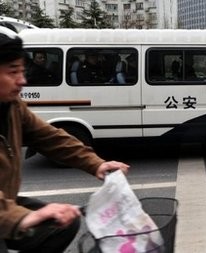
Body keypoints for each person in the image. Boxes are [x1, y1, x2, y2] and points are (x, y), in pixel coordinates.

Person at [0, 29, 130, 252]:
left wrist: (96, 163)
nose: (22, 80)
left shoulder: (12, 106)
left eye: (22, 71)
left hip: (6, 203)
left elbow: (49, 136)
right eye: (13, 72)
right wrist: (19, 218)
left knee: (60, 224)